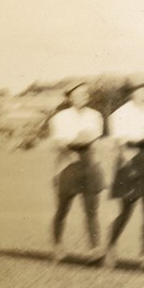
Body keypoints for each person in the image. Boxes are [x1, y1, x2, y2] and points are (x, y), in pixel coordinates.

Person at [105, 79, 144, 269]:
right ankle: (110, 248)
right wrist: (128, 163)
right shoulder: (120, 113)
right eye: (140, 90)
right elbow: (120, 143)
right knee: (126, 209)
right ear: (132, 93)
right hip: (128, 158)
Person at [48, 82, 105, 261]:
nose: (84, 96)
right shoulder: (59, 118)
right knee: (62, 209)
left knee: (91, 210)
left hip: (89, 165)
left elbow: (92, 140)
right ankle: (57, 246)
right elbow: (60, 144)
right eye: (79, 94)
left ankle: (94, 249)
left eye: (86, 93)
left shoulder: (95, 116)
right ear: (70, 97)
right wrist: (77, 140)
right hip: (67, 165)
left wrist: (76, 140)